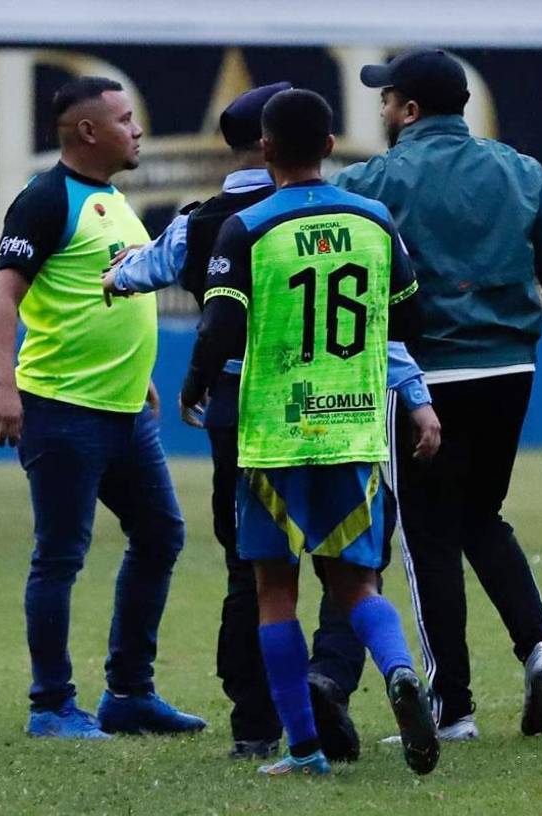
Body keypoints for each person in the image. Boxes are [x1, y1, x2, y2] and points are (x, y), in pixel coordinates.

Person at [103, 82, 440, 762]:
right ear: (330, 145)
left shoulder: (240, 225)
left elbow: (219, 320)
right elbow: (407, 318)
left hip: (270, 428)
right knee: (353, 580)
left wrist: (195, 384)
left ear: (264, 147)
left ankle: (294, 742)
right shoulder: (373, 218)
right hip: (350, 424)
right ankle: (399, 670)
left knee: (267, 582)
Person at [333, 49, 542, 740]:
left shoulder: (376, 179)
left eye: (388, 98)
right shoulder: (520, 170)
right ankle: (538, 647)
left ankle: (450, 707)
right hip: (510, 369)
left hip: (426, 378)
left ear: (411, 109)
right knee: (482, 516)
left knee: (428, 537)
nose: (382, 107)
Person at [0, 76, 205, 739]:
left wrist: (140, 378)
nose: (137, 130)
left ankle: (129, 694)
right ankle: (51, 705)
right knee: (60, 556)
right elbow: (2, 296)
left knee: (161, 535)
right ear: (88, 131)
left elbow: (110, 293)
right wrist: (3, 384)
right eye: (125, 119)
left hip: (124, 411)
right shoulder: (46, 200)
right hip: (63, 411)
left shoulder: (112, 201)